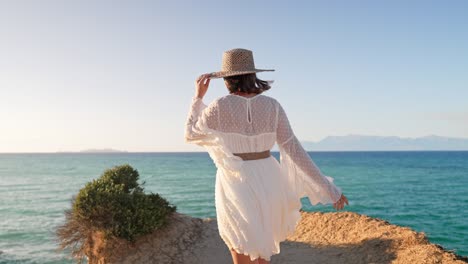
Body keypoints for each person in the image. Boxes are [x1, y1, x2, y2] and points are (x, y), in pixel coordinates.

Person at [185, 48, 348, 264]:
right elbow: (294, 150)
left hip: (236, 182)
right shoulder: (273, 106)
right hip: (270, 179)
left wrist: (198, 98)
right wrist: (329, 188)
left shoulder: (218, 107)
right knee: (263, 250)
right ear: (252, 74)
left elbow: (190, 134)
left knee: (239, 244)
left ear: (227, 78)